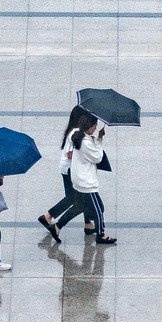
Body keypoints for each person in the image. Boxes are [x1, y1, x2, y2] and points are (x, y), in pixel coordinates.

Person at [37, 105, 97, 243]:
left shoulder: (75, 130)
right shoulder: (75, 132)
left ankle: (88, 224)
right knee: (77, 199)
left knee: (79, 197)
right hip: (71, 170)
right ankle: (48, 217)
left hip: (69, 169)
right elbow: (70, 154)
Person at [66, 118, 117, 245]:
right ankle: (101, 235)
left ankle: (58, 227)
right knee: (98, 210)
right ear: (89, 127)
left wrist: (97, 138)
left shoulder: (78, 135)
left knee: (83, 207)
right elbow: (98, 157)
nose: (95, 128)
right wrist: (99, 140)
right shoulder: (85, 142)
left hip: (80, 179)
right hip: (87, 183)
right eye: (95, 126)